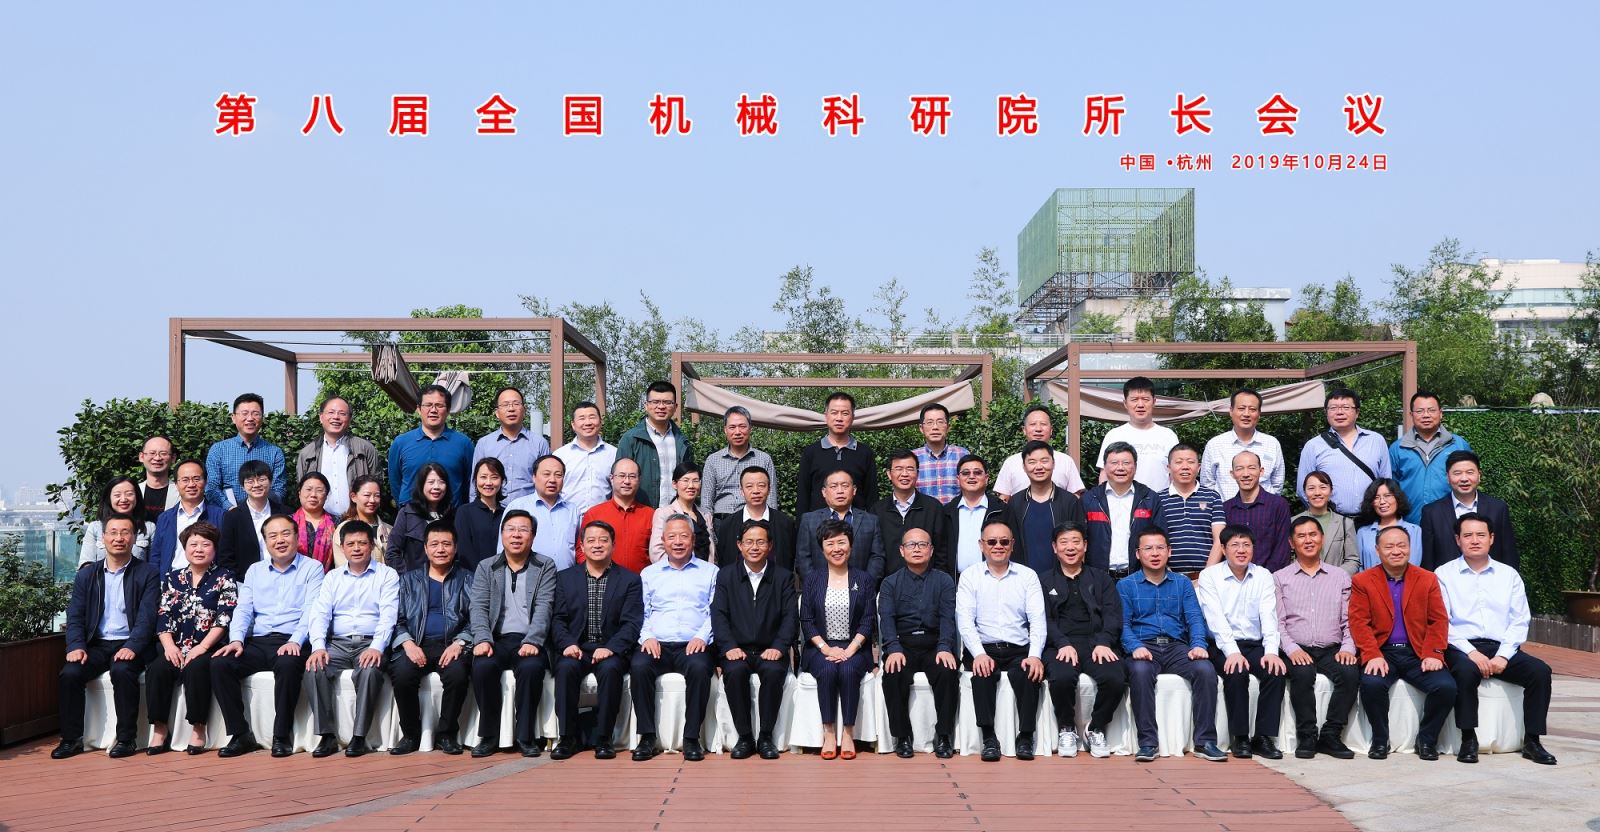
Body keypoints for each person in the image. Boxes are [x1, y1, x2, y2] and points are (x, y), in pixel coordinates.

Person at [1437, 513, 1557, 765]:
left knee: (1540, 672)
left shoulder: (1508, 575)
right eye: (1468, 535)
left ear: (1491, 538)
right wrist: (1472, 653)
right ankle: (1468, 738)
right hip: (1461, 647)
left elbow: (1520, 619)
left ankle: (1532, 740)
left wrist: (1503, 655)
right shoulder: (1443, 574)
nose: (1475, 540)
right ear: (1458, 540)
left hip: (1501, 646)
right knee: (1465, 672)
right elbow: (1443, 622)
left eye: (1481, 535)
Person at [210, 514, 325, 757]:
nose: (279, 540)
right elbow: (243, 609)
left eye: (285, 533)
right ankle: (240, 734)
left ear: (297, 537)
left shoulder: (312, 568)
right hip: (259, 641)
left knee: (288, 664)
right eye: (272, 535)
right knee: (220, 664)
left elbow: (312, 610)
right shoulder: (255, 570)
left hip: (293, 639)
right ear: (265, 541)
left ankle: (281, 735)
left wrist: (295, 640)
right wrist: (237, 639)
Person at [52, 513, 160, 759]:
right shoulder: (87, 575)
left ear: (134, 538)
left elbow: (147, 617)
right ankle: (71, 739)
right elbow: (75, 615)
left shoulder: (147, 573)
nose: (119, 538)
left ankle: (126, 739)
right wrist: (76, 645)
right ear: (103, 538)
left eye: (125, 532)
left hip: (131, 643)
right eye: (113, 532)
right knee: (70, 673)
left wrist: (133, 646)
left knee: (122, 670)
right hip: (97, 644)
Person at [1119, 528, 1226, 763]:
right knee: (1139, 671)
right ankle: (1148, 743)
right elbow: (1123, 624)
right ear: (1138, 554)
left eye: (1160, 548)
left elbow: (1195, 618)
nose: (1154, 553)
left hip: (1177, 647)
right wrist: (1134, 646)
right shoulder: (1126, 585)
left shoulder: (1182, 583)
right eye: (1148, 548)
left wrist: (1198, 645)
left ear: (1169, 551)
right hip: (1144, 646)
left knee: (1205, 669)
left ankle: (1205, 742)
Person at [1349, 525, 1456, 760]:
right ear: (1377, 550)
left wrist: (1434, 653)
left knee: (1446, 687)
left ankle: (1427, 740)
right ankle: (1380, 740)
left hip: (1417, 652)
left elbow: (1438, 620)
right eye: (1389, 546)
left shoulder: (1427, 579)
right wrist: (1371, 654)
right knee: (1371, 684)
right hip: (1383, 652)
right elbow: (1359, 622)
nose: (1396, 551)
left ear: (1410, 547)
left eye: (1402, 545)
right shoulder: (1363, 581)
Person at [304, 520, 399, 758]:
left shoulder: (387, 575)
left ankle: (359, 736)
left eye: (362, 543)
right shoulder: (332, 577)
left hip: (370, 642)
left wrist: (377, 647)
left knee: (370, 671)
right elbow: (320, 613)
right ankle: (327, 736)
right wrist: (318, 647)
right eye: (351, 544)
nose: (356, 548)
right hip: (337, 643)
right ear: (342, 547)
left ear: (372, 546)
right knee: (314, 669)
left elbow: (388, 615)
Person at [550, 520, 644, 760]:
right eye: (591, 540)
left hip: (610, 649)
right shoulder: (565, 578)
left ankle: (604, 738)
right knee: (565, 669)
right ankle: (567, 738)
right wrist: (567, 644)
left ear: (613, 545)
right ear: (582, 546)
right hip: (576, 648)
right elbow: (558, 619)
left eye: (604, 540)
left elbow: (632, 623)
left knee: (611, 670)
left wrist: (611, 648)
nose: (597, 545)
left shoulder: (630, 580)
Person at [468, 510, 558, 757]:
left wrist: (534, 640)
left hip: (529, 640)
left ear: (533, 536)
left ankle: (526, 736)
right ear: (502, 534)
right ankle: (489, 736)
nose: (516, 535)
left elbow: (545, 606)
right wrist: (482, 639)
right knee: (482, 667)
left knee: (531, 668)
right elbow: (478, 606)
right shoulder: (486, 566)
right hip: (496, 639)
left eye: (523, 530)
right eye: (511, 529)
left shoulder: (545, 565)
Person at [956, 518, 1046, 762]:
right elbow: (965, 621)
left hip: (1018, 647)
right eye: (992, 541)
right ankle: (988, 738)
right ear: (981, 545)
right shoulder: (970, 576)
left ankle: (1025, 736)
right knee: (982, 675)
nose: (998, 546)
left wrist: (1034, 655)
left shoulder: (1027, 576)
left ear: (1012, 545)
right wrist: (978, 653)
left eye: (1004, 542)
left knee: (1030, 674)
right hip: (983, 647)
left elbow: (1037, 619)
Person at [631, 515, 717, 762]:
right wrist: (647, 636)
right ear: (663, 540)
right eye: (672, 537)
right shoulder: (649, 574)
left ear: (693, 539)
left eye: (683, 536)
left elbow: (715, 611)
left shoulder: (710, 572)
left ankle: (691, 738)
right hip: (656, 644)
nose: (678, 542)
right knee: (639, 666)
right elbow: (641, 612)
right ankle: (647, 737)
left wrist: (702, 637)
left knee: (700, 668)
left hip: (693, 644)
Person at [146, 521, 236, 755]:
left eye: (205, 544)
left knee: (197, 669)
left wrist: (202, 647)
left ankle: (198, 728)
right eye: (193, 544)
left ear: (214, 548)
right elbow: (164, 614)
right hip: (175, 646)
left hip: (208, 646)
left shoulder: (225, 577)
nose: (199, 549)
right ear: (184, 548)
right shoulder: (173, 578)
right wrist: (169, 647)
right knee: (157, 670)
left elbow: (224, 617)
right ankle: (159, 728)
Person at [1196, 525, 1286, 759]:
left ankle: (1264, 737)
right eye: (1234, 545)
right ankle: (1241, 737)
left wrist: (1271, 651)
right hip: (1221, 644)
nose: (1241, 550)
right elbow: (1215, 618)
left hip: (1254, 643)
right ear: (1223, 549)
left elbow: (1269, 616)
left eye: (1246, 545)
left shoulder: (1263, 575)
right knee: (1236, 672)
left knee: (1275, 670)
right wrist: (1232, 652)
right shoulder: (1210, 576)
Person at [1274, 516, 1360, 760]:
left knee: (1350, 673)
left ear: (1322, 539)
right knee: (1302, 674)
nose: (1308, 540)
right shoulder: (1280, 577)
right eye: (1301, 536)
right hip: (1296, 647)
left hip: (1332, 648)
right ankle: (1307, 735)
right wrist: (1291, 649)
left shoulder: (1340, 576)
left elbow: (1349, 619)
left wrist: (1348, 648)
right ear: (1292, 543)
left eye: (1313, 534)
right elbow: (1277, 622)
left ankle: (1331, 735)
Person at [388, 520, 474, 756]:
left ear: (455, 548)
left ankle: (446, 734)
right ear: (425, 548)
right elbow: (396, 619)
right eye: (434, 544)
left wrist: (460, 642)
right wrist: (407, 643)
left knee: (457, 675)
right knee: (403, 675)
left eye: (446, 544)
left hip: (452, 644)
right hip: (416, 643)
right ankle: (411, 734)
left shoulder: (468, 579)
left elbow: (476, 617)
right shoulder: (408, 580)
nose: (440, 549)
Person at [1039, 523, 1125, 760]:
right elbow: (1042, 619)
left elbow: (1113, 615)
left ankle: (1095, 728)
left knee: (1115, 677)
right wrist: (1061, 642)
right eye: (1064, 542)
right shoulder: (1043, 581)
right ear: (1054, 547)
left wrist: (1104, 641)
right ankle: (1066, 728)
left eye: (1076, 541)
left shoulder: (1102, 579)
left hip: (1096, 643)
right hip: (1060, 644)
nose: (1070, 547)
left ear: (1085, 546)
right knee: (1062, 677)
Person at [712, 520, 796, 760]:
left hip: (771, 649)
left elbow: (790, 617)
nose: (755, 547)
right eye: (749, 542)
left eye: (761, 542)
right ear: (739, 545)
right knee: (735, 672)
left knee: (773, 672)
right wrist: (729, 647)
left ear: (770, 546)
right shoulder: (726, 576)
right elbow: (719, 615)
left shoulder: (783, 577)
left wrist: (779, 647)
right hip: (737, 650)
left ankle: (766, 737)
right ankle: (745, 737)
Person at [800, 518, 878, 760]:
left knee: (847, 670)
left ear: (850, 545)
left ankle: (848, 732)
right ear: (822, 548)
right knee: (827, 670)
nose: (836, 549)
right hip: (820, 647)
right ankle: (829, 732)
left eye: (841, 542)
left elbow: (868, 620)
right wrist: (826, 649)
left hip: (855, 647)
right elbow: (807, 621)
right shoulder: (812, 579)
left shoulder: (863, 579)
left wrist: (850, 649)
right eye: (830, 543)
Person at [879, 527, 959, 759]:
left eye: (922, 544)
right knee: (893, 673)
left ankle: (943, 735)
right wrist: (893, 648)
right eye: (911, 545)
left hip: (934, 644)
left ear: (931, 550)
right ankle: (902, 736)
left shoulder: (944, 581)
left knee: (947, 671)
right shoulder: (890, 583)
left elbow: (947, 617)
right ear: (902, 550)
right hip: (903, 644)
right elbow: (887, 619)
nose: (917, 549)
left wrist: (945, 646)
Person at [1297, 388, 1391, 517]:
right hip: (1333, 520)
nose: (1339, 412)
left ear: (1357, 412)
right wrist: (1323, 516)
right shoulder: (1313, 446)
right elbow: (1302, 490)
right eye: (1333, 408)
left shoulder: (1376, 441)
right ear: (1326, 412)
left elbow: (1386, 483)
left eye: (1346, 407)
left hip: (1371, 520)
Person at [1420, 450, 1518, 570]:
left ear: (1479, 475)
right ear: (1447, 477)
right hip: (1447, 580)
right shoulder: (1431, 513)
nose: (1464, 478)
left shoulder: (1498, 509)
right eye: (1457, 473)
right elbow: (1428, 559)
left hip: (1490, 578)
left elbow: (1509, 553)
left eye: (1470, 472)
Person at [1001, 440, 1088, 575]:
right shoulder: (1015, 503)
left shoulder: (1069, 502)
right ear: (1024, 467)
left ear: (1053, 464)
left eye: (1044, 461)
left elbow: (1079, 543)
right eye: (1032, 462)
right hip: (1023, 578)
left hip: (1061, 578)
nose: (1039, 467)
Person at [1080, 442, 1161, 579]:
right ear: (1105, 466)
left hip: (1139, 576)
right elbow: (1079, 539)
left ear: (1135, 466)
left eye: (1126, 463)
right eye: (1114, 463)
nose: (1120, 468)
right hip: (1098, 578)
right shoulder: (1090, 499)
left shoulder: (1149, 498)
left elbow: (1160, 538)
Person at [1389, 391, 1471, 525]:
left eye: (1431, 410)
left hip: (1451, 524)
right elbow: (1391, 489)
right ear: (1411, 414)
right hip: (1410, 524)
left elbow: (1470, 483)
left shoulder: (1458, 445)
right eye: (1420, 411)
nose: (1426, 415)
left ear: (1441, 413)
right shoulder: (1398, 448)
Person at [388, 384, 474, 508]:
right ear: (418, 409)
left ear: (448, 410)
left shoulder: (463, 443)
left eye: (439, 405)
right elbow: (395, 483)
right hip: (411, 515)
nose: (433, 410)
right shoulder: (401, 443)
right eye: (428, 405)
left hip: (451, 515)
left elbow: (469, 483)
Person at [294, 396, 383, 518]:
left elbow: (377, 484)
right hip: (321, 522)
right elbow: (302, 489)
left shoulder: (365, 449)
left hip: (357, 519)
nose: (336, 417)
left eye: (342, 413)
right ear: (321, 417)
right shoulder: (307, 453)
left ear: (349, 419)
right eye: (331, 412)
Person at [795, 391, 878, 516]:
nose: (839, 418)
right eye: (834, 412)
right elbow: (803, 495)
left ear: (852, 417)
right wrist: (802, 525)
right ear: (826, 416)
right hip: (819, 525)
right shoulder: (811, 452)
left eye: (845, 413)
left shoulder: (865, 453)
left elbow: (872, 496)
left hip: (855, 525)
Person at [795, 469, 886, 581]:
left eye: (845, 486)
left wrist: (866, 584)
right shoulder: (809, 520)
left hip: (861, 586)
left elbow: (877, 557)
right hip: (820, 586)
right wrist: (816, 585)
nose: (840, 491)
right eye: (834, 486)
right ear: (824, 492)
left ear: (854, 490)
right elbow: (803, 558)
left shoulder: (871, 520)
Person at [616, 380, 695, 509]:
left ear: (675, 407)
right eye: (655, 402)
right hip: (641, 511)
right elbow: (620, 480)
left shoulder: (682, 441)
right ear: (646, 405)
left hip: (676, 512)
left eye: (667, 402)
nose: (661, 406)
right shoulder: (631, 439)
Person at [873, 450, 952, 575]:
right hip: (888, 583)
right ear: (889, 474)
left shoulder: (933, 508)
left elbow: (941, 553)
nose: (904, 474)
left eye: (910, 469)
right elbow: (875, 554)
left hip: (927, 581)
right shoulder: (877, 510)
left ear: (917, 473)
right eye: (898, 469)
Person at [1096, 377, 1180, 491]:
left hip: (1160, 501)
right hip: (1122, 501)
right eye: (1134, 399)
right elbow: (1105, 474)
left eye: (1145, 399)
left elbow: (1175, 475)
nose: (1140, 404)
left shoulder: (1169, 436)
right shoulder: (1114, 435)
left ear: (1154, 402)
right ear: (1125, 403)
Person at [205, 393, 287, 510]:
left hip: (265, 515)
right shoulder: (218, 450)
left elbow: (279, 490)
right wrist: (231, 509)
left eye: (255, 414)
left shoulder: (274, 452)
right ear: (233, 418)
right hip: (227, 514)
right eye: (244, 413)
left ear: (262, 417)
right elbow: (212, 488)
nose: (250, 418)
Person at [1200, 388, 1285, 501]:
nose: (1246, 414)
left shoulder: (1272, 444)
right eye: (1241, 408)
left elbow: (1277, 485)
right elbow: (1207, 485)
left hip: (1265, 510)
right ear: (1231, 411)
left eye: (1252, 409)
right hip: (1225, 510)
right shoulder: (1215, 444)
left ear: (1259, 413)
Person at [700, 405, 778, 524]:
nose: (737, 432)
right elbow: (706, 502)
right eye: (732, 427)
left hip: (755, 521)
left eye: (742, 426)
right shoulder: (713, 460)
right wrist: (709, 529)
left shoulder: (764, 459)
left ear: (750, 428)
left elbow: (771, 499)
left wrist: (769, 525)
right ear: (725, 430)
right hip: (721, 522)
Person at [1155, 444, 1225, 576]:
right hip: (1167, 576)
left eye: (1190, 462)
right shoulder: (1158, 499)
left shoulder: (1212, 497)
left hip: (1207, 576)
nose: (1185, 466)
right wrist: (1167, 574)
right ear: (1168, 467)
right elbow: (1153, 540)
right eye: (1179, 462)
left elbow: (1220, 539)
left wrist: (1206, 576)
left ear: (1198, 467)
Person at [473, 387, 551, 503]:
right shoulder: (484, 444)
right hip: (492, 510)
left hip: (528, 510)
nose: (511, 409)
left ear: (524, 410)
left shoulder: (540, 444)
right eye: (505, 405)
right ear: (497, 413)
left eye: (516, 404)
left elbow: (546, 482)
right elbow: (475, 483)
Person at [577, 457, 655, 573]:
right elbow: (581, 551)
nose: (627, 481)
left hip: (642, 581)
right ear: (612, 478)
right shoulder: (594, 514)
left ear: (639, 480)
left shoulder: (651, 515)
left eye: (632, 476)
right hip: (603, 580)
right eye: (622, 476)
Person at [506, 454, 582, 571]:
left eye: (558, 475)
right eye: (546, 474)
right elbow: (504, 548)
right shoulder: (518, 507)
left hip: (566, 578)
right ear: (534, 477)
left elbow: (580, 548)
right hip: (528, 578)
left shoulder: (572, 510)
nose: (552, 480)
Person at [1219, 451, 1292, 572]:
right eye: (1239, 469)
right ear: (1232, 474)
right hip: (1232, 578)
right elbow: (1222, 548)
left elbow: (1282, 548)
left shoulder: (1278, 505)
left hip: (1270, 577)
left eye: (1251, 468)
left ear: (1261, 471)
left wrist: (1265, 577)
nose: (1246, 474)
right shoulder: (1225, 508)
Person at [713, 467, 796, 573]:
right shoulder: (728, 525)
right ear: (742, 491)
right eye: (749, 486)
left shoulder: (785, 523)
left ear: (769, 489)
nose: (756, 491)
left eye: (761, 486)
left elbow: (790, 561)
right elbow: (724, 562)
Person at [994, 405, 1085, 500]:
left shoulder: (1066, 461)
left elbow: (1075, 496)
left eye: (1043, 424)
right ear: (1024, 430)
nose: (1038, 429)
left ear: (1051, 430)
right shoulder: (1011, 462)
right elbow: (1004, 498)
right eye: (1033, 424)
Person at [218, 460, 289, 580]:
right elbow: (225, 556)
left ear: (270, 482)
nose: (256, 485)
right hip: (245, 581)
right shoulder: (232, 517)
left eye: (262, 479)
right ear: (242, 486)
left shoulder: (285, 513)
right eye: (250, 481)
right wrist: (241, 580)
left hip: (283, 577)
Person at [150, 460, 226, 572]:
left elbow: (226, 554)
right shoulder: (165, 518)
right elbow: (156, 557)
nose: (191, 484)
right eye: (185, 480)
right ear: (176, 484)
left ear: (205, 482)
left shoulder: (220, 516)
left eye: (196, 479)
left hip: (209, 579)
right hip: (170, 579)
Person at [388, 463, 456, 575]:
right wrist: (408, 578)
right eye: (431, 482)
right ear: (421, 485)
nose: (436, 487)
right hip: (414, 581)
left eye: (441, 482)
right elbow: (392, 552)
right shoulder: (407, 513)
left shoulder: (453, 515)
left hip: (448, 580)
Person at [942, 454, 1002, 576]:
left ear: (986, 478)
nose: (971, 477)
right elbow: (941, 551)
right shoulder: (947, 512)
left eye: (977, 473)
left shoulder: (1001, 510)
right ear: (958, 479)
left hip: (993, 579)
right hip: (955, 580)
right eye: (966, 473)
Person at [1291, 470, 1359, 576]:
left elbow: (1352, 560)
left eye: (1323, 487)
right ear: (1304, 492)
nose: (1317, 493)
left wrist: (1333, 577)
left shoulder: (1345, 523)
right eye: (1311, 488)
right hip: (1301, 582)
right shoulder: (1292, 522)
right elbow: (1287, 557)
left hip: (1335, 582)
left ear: (1331, 491)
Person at [553, 400, 616, 513]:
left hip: (604, 518)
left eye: (592, 417)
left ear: (600, 422)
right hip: (567, 517)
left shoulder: (614, 454)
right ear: (573, 425)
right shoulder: (560, 455)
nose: (587, 423)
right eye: (581, 418)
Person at [648, 462, 717, 564]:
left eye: (695, 481)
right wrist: (683, 569)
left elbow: (712, 554)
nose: (691, 486)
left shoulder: (706, 516)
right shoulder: (664, 514)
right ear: (674, 484)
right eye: (685, 480)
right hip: (675, 572)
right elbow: (656, 553)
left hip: (706, 572)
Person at [79, 477, 154, 565]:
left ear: (137, 497)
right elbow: (86, 563)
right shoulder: (95, 528)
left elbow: (154, 564)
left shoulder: (149, 528)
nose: (123, 499)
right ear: (109, 498)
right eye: (117, 495)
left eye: (129, 494)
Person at [1354, 479, 1422, 570]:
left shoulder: (1414, 530)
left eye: (1387, 496)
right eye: (1376, 497)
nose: (1382, 502)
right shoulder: (1363, 533)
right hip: (1369, 579)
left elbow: (1414, 565)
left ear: (1397, 498)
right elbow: (1359, 567)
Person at [911, 403, 971, 504]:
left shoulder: (962, 455)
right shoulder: (912, 458)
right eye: (930, 422)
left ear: (948, 427)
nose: (935, 427)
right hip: (923, 514)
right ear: (921, 428)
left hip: (955, 513)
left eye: (940, 422)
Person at [454, 457, 506, 572]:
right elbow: (464, 551)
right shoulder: (464, 512)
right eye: (483, 477)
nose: (488, 482)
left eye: (494, 477)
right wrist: (481, 576)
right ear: (475, 480)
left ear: (502, 481)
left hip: (503, 576)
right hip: (473, 576)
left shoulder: (506, 513)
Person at [334, 475, 390, 569]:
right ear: (353, 497)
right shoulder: (344, 529)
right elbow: (343, 567)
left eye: (377, 496)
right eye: (367, 495)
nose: (372, 500)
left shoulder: (389, 530)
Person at [293, 472, 338, 570]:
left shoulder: (337, 523)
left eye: (319, 490)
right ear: (299, 493)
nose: (313, 495)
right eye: (308, 489)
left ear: (326, 496)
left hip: (328, 577)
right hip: (294, 576)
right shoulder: (288, 522)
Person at [138, 436, 179, 525]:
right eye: (152, 453)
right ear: (141, 457)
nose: (157, 458)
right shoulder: (133, 492)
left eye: (163, 453)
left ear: (173, 458)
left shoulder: (181, 493)